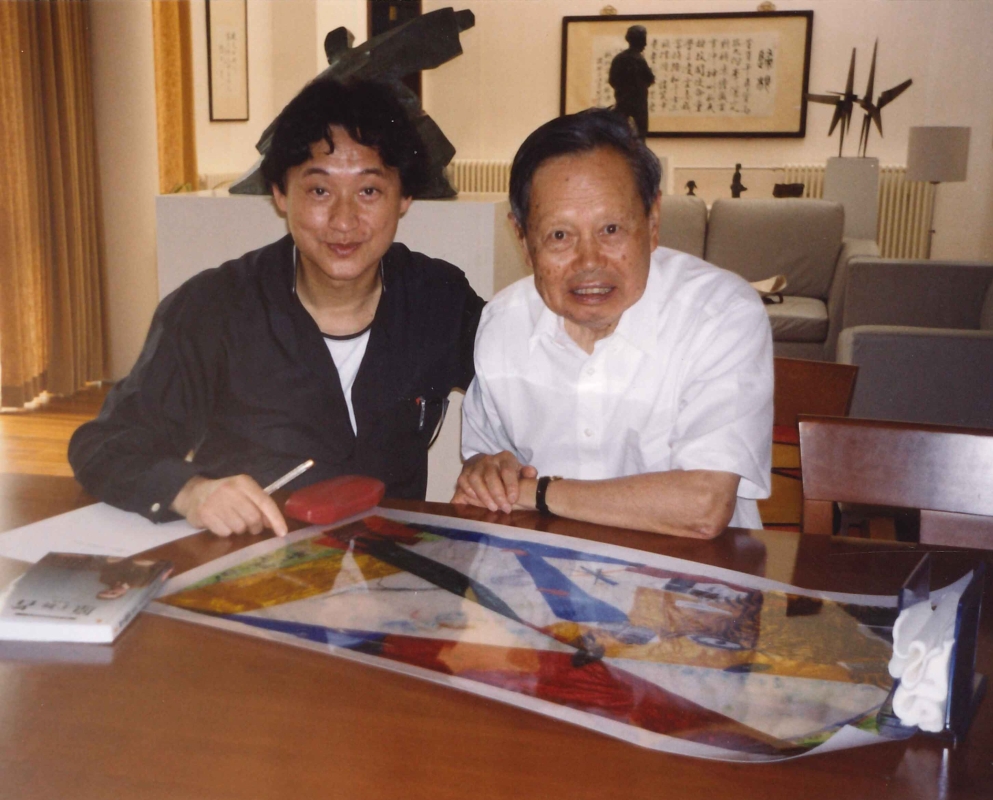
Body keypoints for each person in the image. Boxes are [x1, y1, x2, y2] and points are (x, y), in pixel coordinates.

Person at [70, 79, 484, 538]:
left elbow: (523, 387)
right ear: (281, 194)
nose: (344, 221)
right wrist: (189, 491)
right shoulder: (213, 308)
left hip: (393, 560)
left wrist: (495, 456)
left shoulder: (437, 297)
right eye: (319, 191)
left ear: (404, 198)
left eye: (368, 191)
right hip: (257, 560)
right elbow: (105, 444)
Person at [453, 109, 772, 538]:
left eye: (611, 229)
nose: (589, 262)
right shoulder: (502, 324)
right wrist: (486, 472)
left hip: (689, 573)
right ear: (523, 240)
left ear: (653, 222)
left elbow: (703, 506)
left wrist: (539, 493)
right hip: (546, 574)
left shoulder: (721, 314)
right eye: (559, 235)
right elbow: (487, 460)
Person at [608, 25, 655, 139]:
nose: (645, 44)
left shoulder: (619, 58)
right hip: (638, 104)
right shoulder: (638, 60)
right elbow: (650, 79)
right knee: (639, 136)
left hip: (622, 102)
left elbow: (612, 80)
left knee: (622, 137)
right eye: (643, 39)